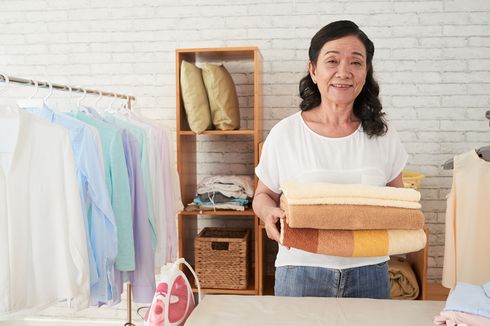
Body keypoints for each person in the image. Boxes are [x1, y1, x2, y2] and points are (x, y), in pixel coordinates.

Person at [253, 20, 408, 299]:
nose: (344, 72)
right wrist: (268, 213)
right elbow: (262, 195)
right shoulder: (285, 133)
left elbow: (398, 198)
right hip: (301, 270)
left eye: (356, 63)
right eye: (332, 61)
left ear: (366, 72)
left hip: (369, 270)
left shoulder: (383, 135)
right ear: (313, 70)